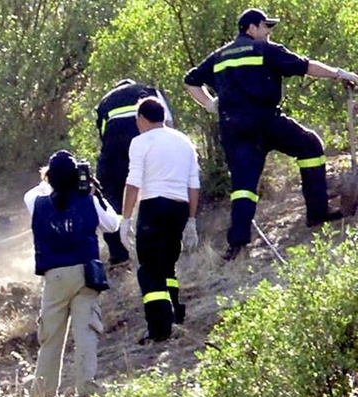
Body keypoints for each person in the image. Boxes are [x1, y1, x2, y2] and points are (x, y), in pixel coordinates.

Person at [183, 7, 357, 261]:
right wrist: (339, 73)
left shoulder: (219, 56)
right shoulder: (264, 50)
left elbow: (190, 80)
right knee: (310, 146)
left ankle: (238, 245)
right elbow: (306, 66)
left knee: (243, 186)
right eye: (265, 27)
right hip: (265, 120)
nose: (268, 32)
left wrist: (210, 104)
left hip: (234, 127)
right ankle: (317, 211)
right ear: (251, 28)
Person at [23, 151, 121, 397]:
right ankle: (87, 390)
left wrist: (51, 179)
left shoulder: (37, 202)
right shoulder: (88, 200)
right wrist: (93, 189)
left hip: (54, 276)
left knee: (50, 339)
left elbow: (30, 194)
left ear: (49, 178)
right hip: (85, 273)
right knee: (86, 331)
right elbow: (112, 224)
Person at [120, 97, 202, 343]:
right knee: (167, 264)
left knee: (149, 269)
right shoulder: (184, 141)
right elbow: (193, 184)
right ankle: (175, 313)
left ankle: (159, 328)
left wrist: (125, 219)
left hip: (153, 206)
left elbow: (133, 182)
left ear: (142, 119)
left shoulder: (140, 141)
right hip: (179, 208)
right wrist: (191, 220)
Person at [94, 79, 174, 266]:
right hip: (147, 144)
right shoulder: (149, 91)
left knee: (111, 199)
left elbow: (103, 136)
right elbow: (168, 124)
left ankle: (118, 255)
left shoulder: (105, 101)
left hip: (114, 154)